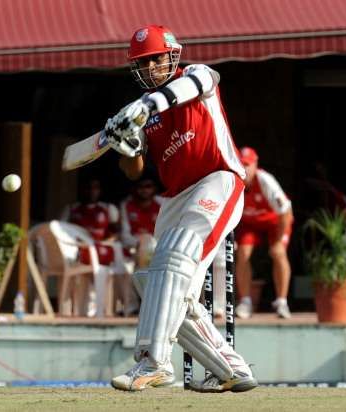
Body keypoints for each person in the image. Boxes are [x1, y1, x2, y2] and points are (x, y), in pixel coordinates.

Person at [103, 24, 257, 393]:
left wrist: (143, 106)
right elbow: (134, 170)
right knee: (164, 285)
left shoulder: (195, 75)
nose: (150, 66)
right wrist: (125, 144)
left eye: (155, 58)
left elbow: (183, 90)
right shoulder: (143, 113)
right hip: (175, 197)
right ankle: (230, 367)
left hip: (218, 179)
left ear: (171, 55)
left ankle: (153, 362)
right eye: (143, 62)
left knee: (174, 263)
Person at [234, 147, 293, 319]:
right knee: (242, 253)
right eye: (240, 164)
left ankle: (282, 302)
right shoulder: (232, 181)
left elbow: (285, 212)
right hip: (250, 224)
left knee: (278, 253)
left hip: (276, 221)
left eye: (247, 165)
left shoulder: (266, 181)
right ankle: (245, 301)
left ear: (255, 164)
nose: (244, 169)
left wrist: (278, 241)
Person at [60, 176, 129, 316]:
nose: (92, 191)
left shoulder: (108, 209)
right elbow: (61, 234)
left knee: (120, 264)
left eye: (95, 187)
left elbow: (117, 233)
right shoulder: (71, 209)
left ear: (100, 190)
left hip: (102, 253)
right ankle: (80, 311)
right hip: (78, 254)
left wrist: (102, 243)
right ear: (81, 190)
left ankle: (121, 308)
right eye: (88, 187)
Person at [119, 174, 163, 315]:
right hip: (133, 250)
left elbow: (167, 230)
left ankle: (157, 309)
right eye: (140, 187)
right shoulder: (127, 205)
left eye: (148, 186)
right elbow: (125, 236)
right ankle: (131, 309)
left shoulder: (162, 203)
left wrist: (150, 243)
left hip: (158, 251)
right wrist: (140, 242)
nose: (144, 190)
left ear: (154, 188)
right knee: (124, 269)